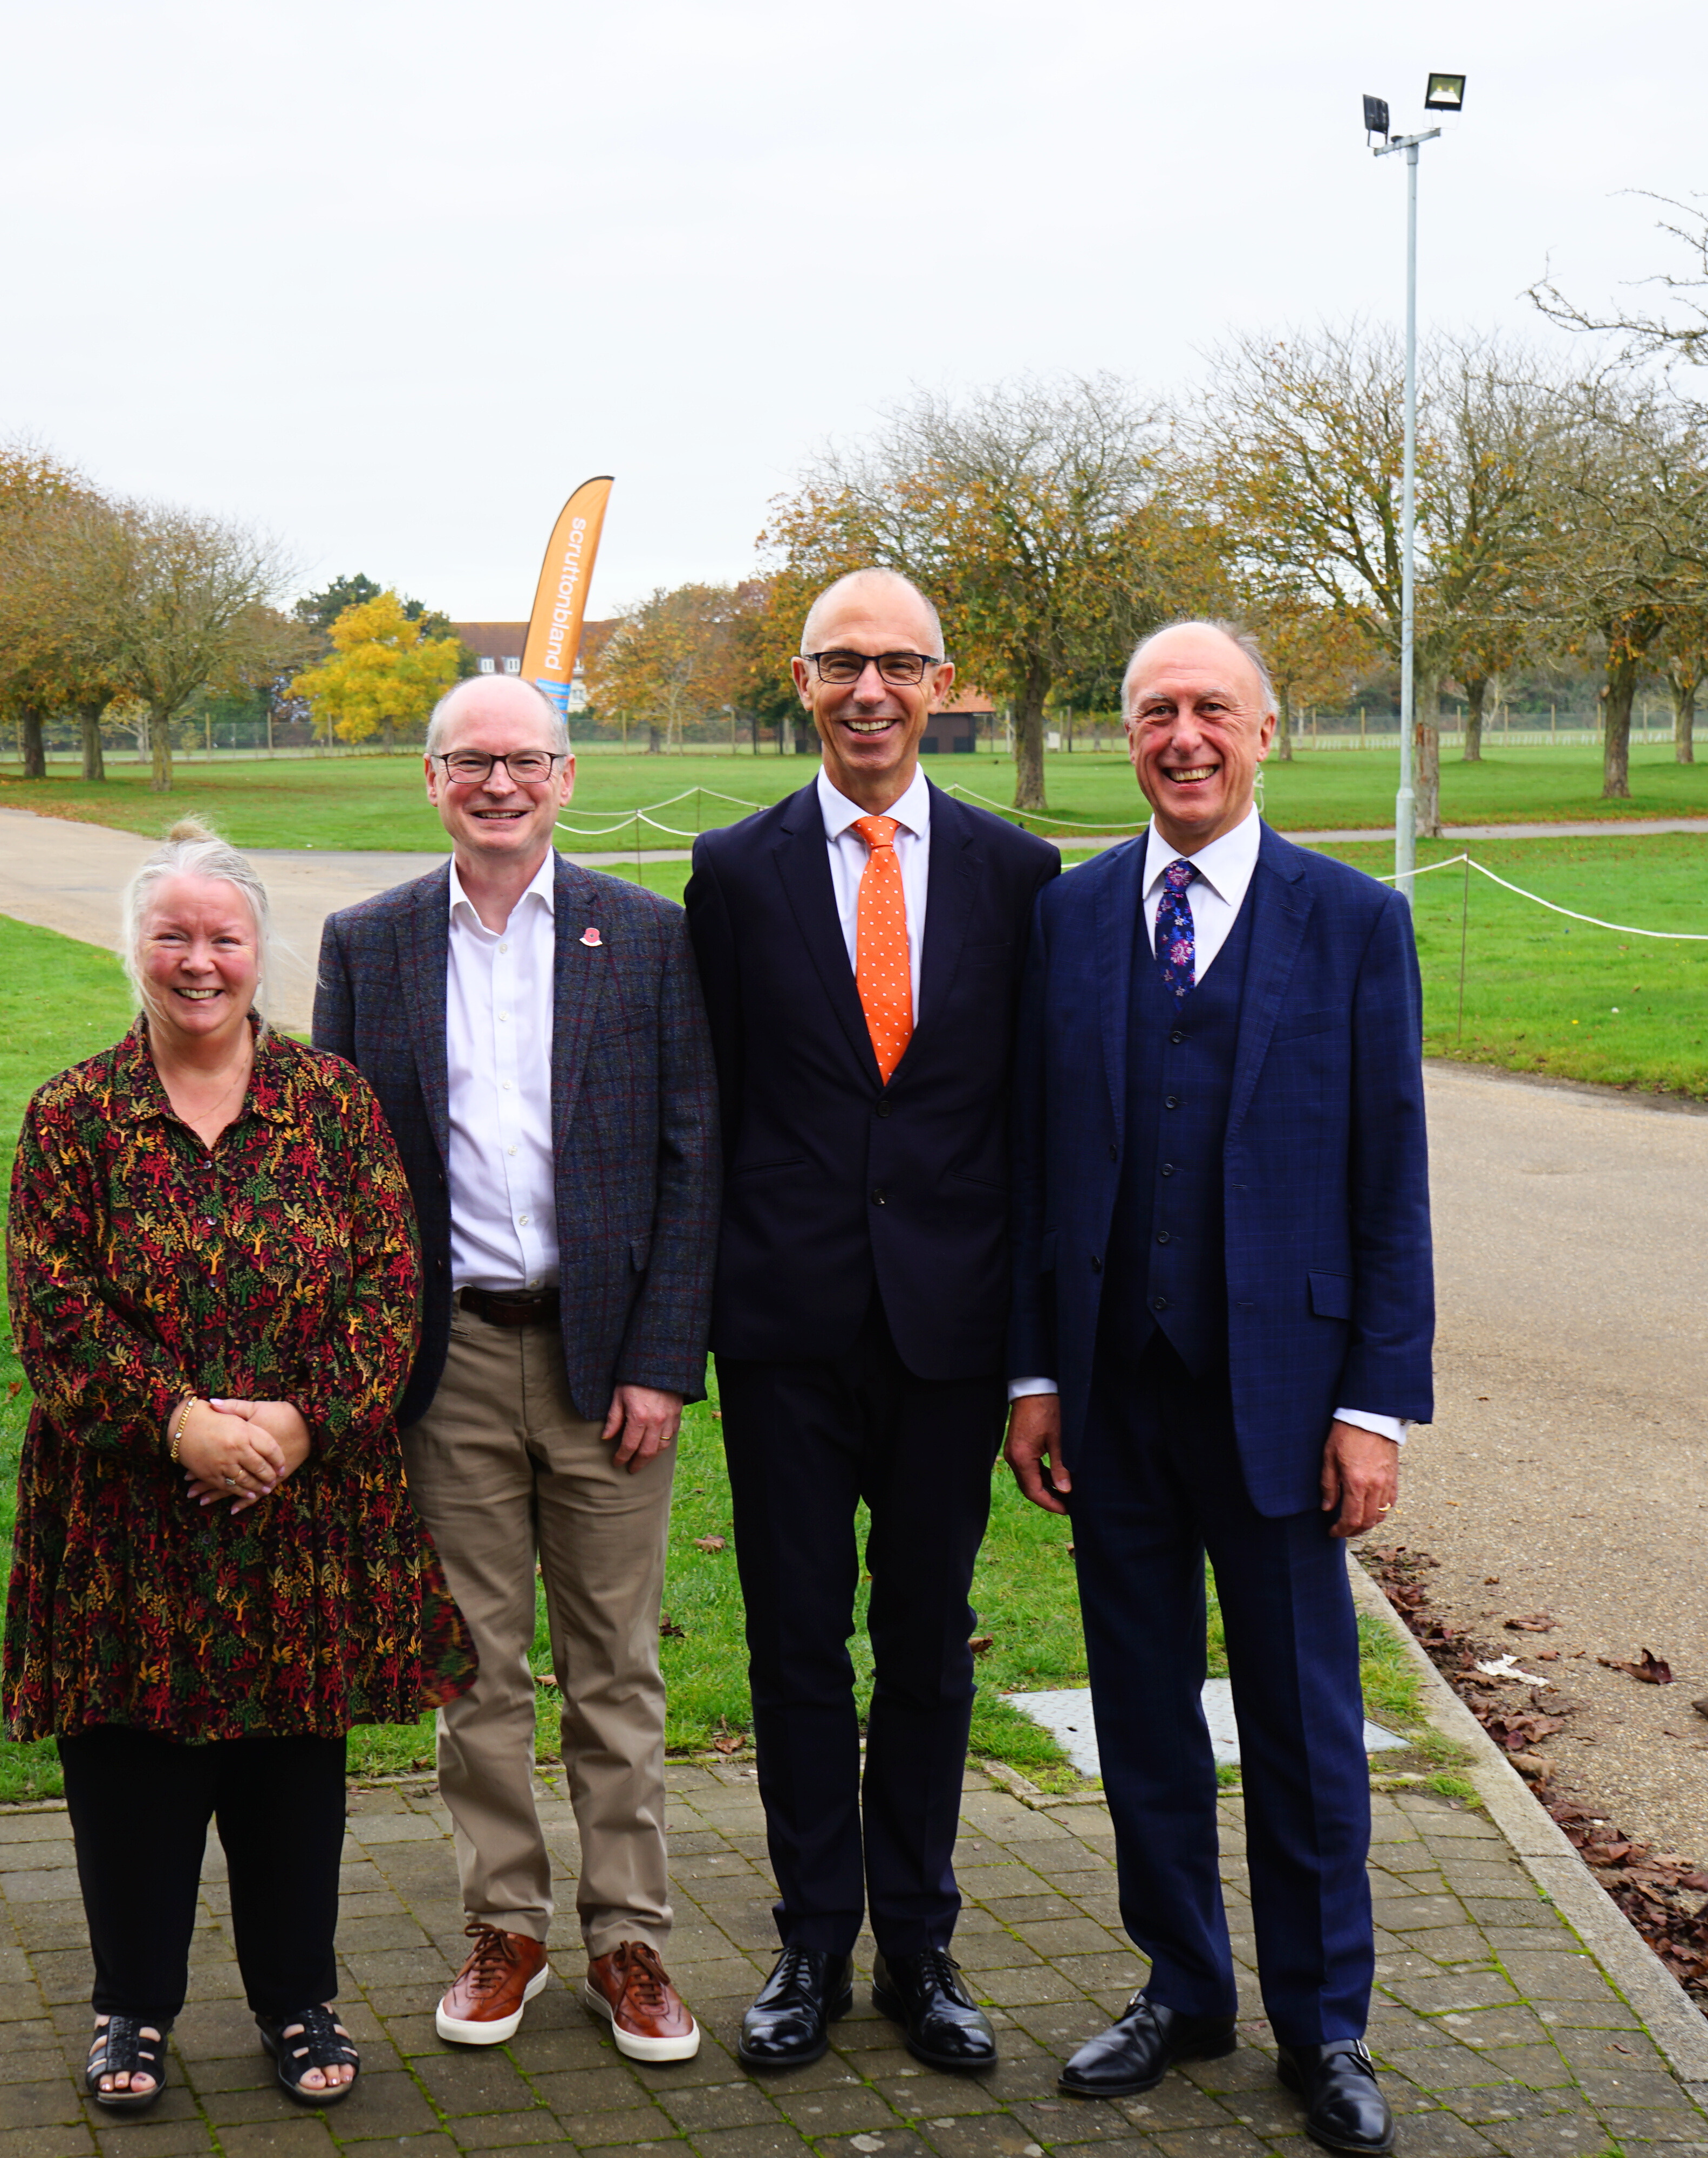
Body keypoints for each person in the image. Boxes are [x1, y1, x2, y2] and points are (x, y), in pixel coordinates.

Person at [1001, 621, 1432, 2155]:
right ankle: (1184, 1987)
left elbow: (1391, 1175)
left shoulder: (1355, 920)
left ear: (1266, 732)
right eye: (1153, 712)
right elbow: (1040, 1165)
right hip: (1116, 1394)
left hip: (1288, 1404)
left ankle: (1327, 2026)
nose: (1182, 735)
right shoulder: (1068, 916)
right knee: (1142, 1713)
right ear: (1128, 736)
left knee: (1304, 1729)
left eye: (1210, 709)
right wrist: (1036, 1373)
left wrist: (1373, 1405)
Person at [4, 818, 475, 2116]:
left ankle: (297, 1998)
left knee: (290, 1768)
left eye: (223, 936)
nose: (198, 961)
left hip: (301, 1505)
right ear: (134, 947)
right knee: (130, 1764)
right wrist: (181, 1423)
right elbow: (54, 1310)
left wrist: (299, 1427)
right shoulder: (74, 1114)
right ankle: (132, 2006)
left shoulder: (335, 1104)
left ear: (262, 948)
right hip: (127, 1507)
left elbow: (390, 1289)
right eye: (172, 935)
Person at [684, 568, 1064, 2073]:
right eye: (842, 663)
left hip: (948, 1333)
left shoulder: (1020, 875)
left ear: (941, 684)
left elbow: (1032, 1128)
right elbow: (712, 1108)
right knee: (794, 1646)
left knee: (925, 1645)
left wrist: (1033, 1358)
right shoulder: (736, 871)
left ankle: (918, 1942)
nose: (870, 691)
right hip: (786, 1325)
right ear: (802, 681)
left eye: (900, 665)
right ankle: (809, 1945)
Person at [313, 675, 721, 2063]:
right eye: (472, 760)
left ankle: (629, 1938)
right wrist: (373, 1368)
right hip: (452, 1361)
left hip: (611, 1365)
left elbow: (693, 1156)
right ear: (431, 778)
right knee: (473, 1665)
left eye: (526, 759)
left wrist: (663, 1358)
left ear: (566, 776)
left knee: (615, 1667)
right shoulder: (368, 942)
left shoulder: (647, 934)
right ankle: (506, 1926)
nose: (500, 783)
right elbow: (342, 1176)